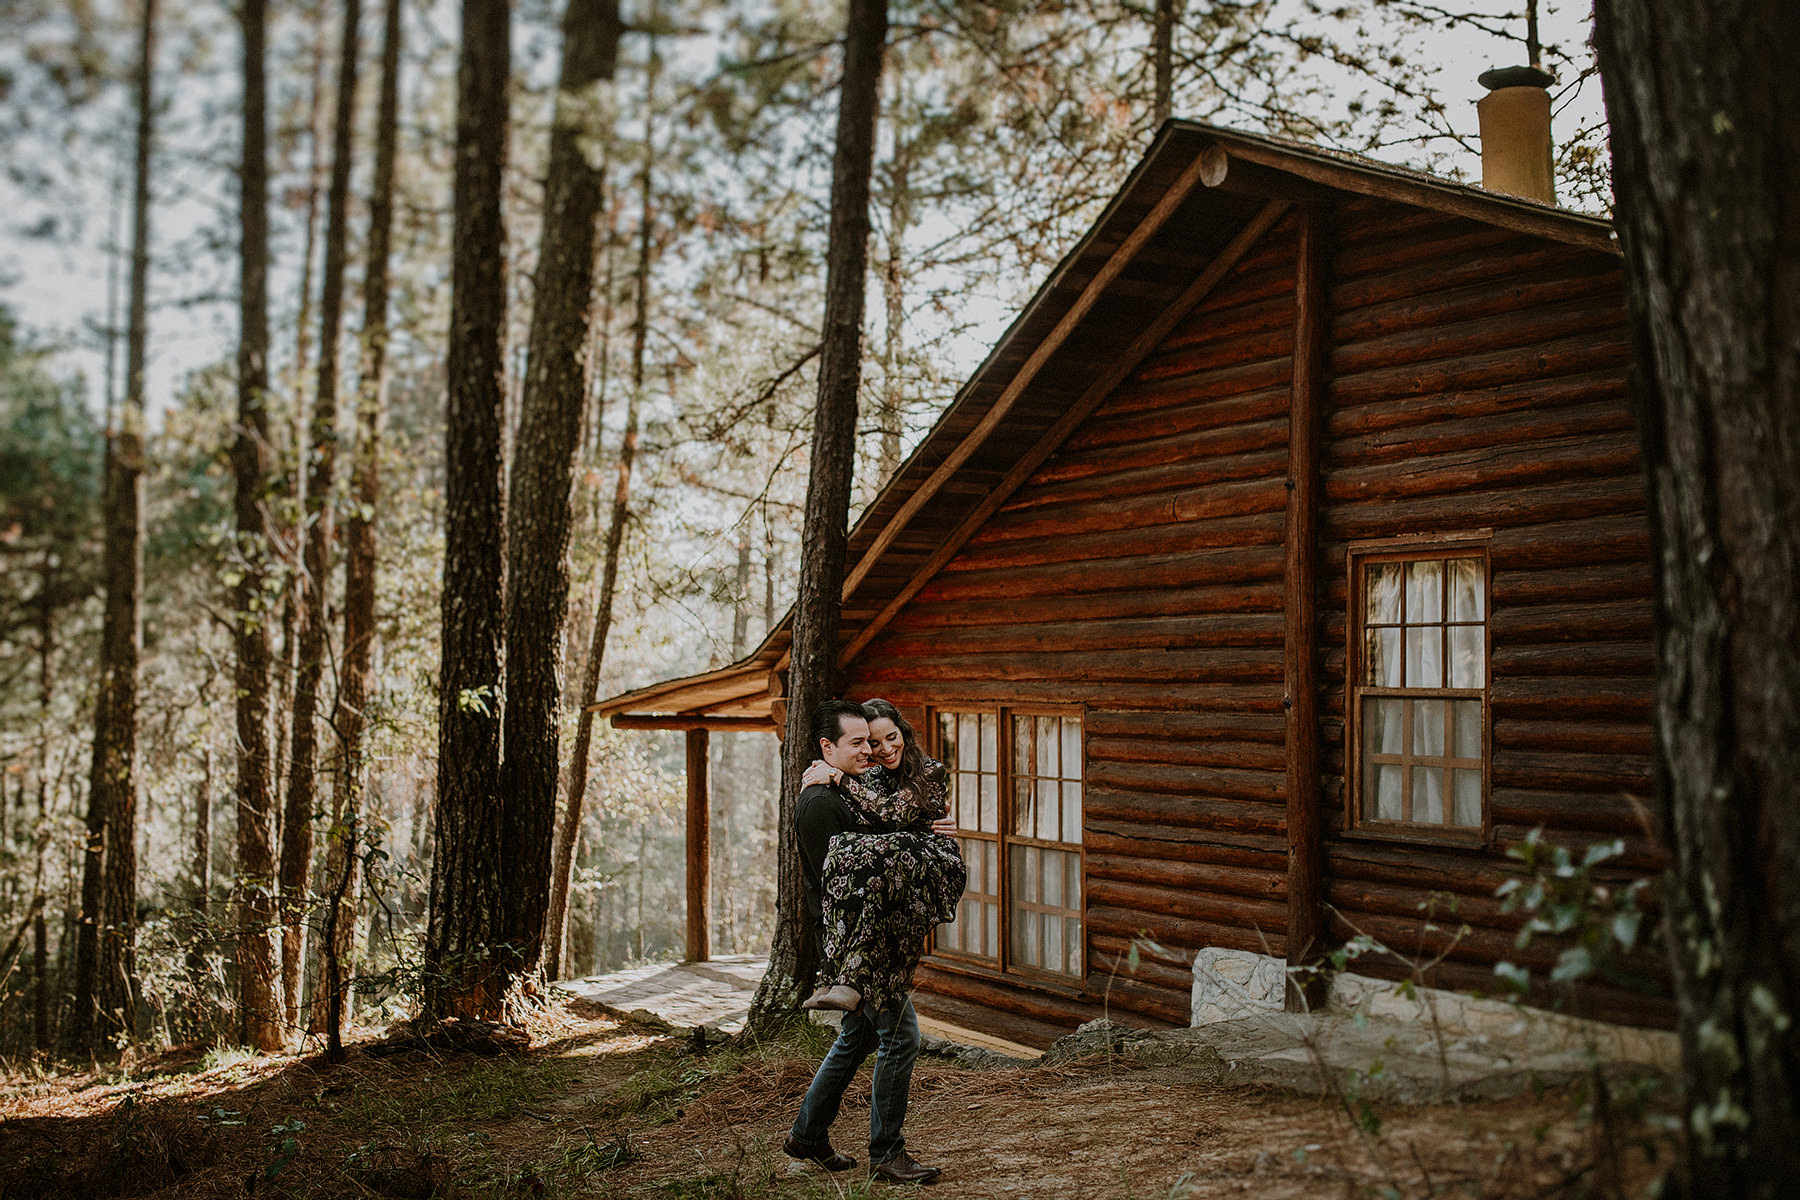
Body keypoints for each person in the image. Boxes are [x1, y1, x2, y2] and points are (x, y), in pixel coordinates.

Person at [783, 699, 945, 1185]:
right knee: (901, 1035)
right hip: (857, 945)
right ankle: (886, 1153)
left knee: (860, 1037)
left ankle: (807, 1136)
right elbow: (840, 890)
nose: (870, 751)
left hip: (876, 939)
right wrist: (922, 843)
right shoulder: (820, 805)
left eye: (872, 742)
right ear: (827, 748)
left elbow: (892, 822)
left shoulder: (853, 790)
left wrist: (929, 831)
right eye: (858, 743)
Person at [801, 698, 966, 1016]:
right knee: (846, 855)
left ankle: (851, 985)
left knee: (878, 848)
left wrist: (836, 776)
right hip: (891, 866)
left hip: (933, 864)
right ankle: (834, 977)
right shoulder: (871, 776)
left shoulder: (929, 770)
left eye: (892, 737)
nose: (886, 749)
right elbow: (862, 816)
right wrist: (821, 775)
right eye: (873, 743)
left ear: (903, 731)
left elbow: (889, 815)